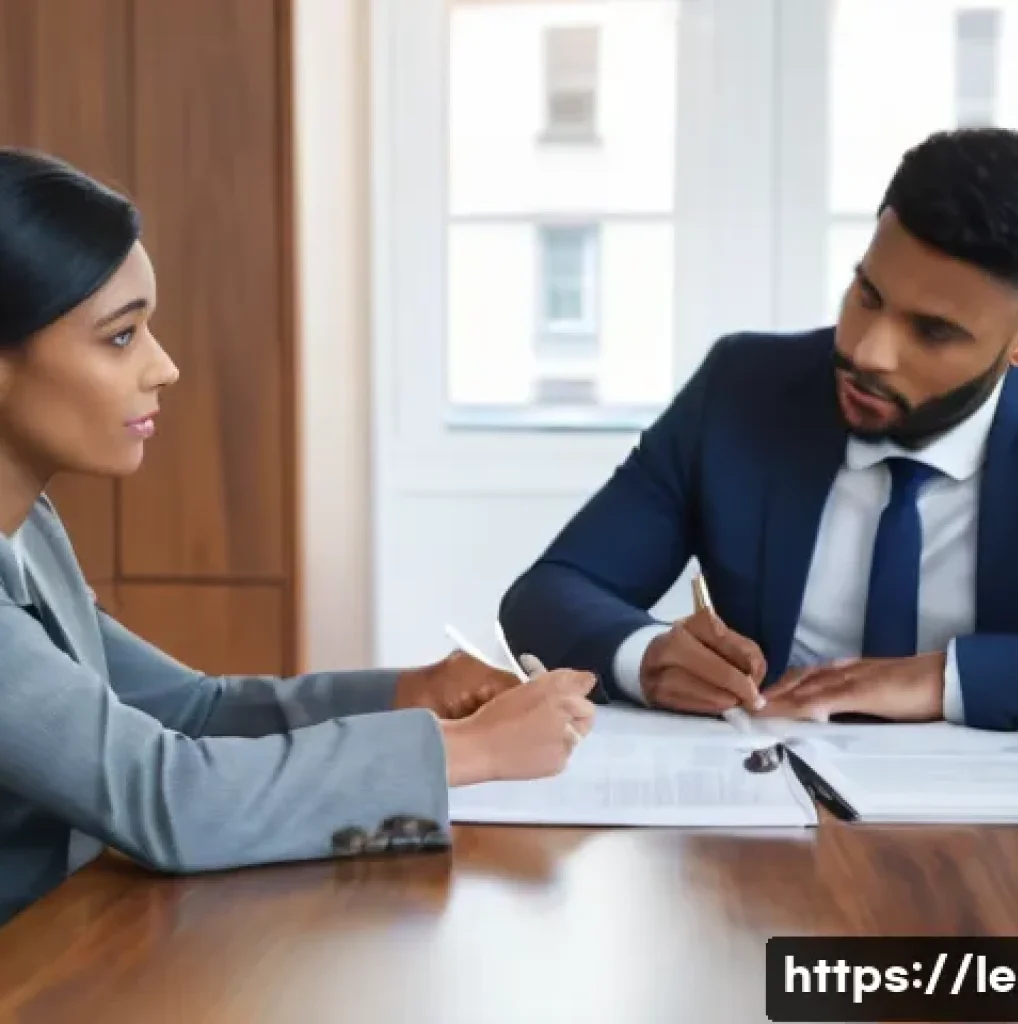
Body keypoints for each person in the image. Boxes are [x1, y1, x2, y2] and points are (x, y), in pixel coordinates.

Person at [0, 148, 596, 927]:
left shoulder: (28, 529)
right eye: (121, 338)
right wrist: (469, 751)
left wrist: (408, 695)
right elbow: (166, 795)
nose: (165, 367)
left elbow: (192, 711)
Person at [500, 127, 1018, 733]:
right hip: (769, 792)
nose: (868, 351)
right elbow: (549, 592)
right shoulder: (744, 390)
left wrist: (939, 679)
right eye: (868, 294)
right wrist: (646, 658)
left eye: (932, 332)